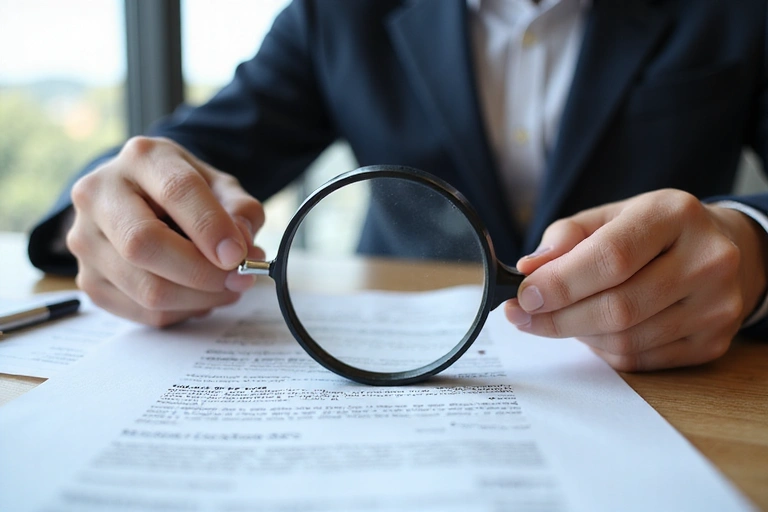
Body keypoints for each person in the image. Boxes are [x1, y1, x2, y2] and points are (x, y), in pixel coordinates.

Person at [28, 0, 768, 372]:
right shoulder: (339, 12)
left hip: (671, 380)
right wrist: (111, 210)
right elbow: (199, 144)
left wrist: (753, 248)